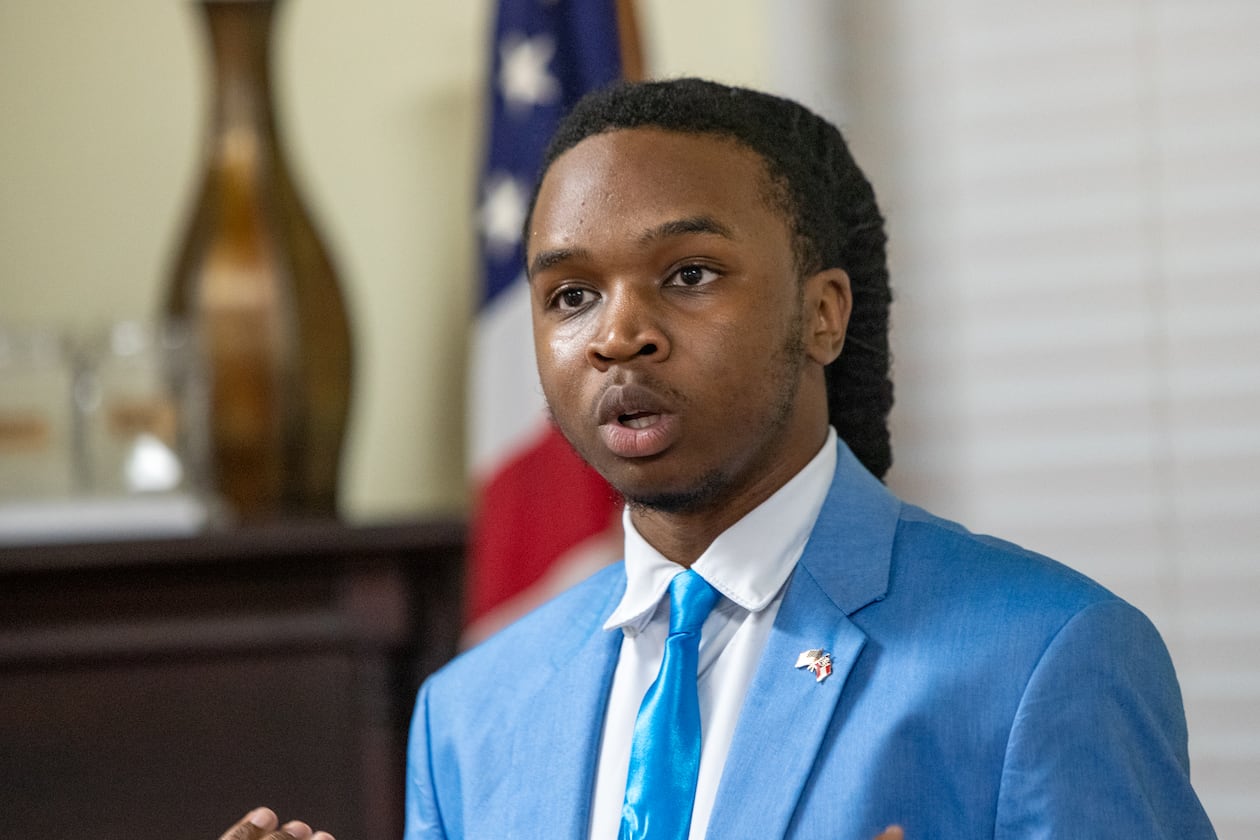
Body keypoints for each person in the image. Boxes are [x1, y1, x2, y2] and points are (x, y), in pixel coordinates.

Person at [234, 78, 1215, 839]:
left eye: (689, 275)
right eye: (571, 295)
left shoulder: (1047, 660)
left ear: (823, 312)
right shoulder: (468, 715)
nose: (619, 335)